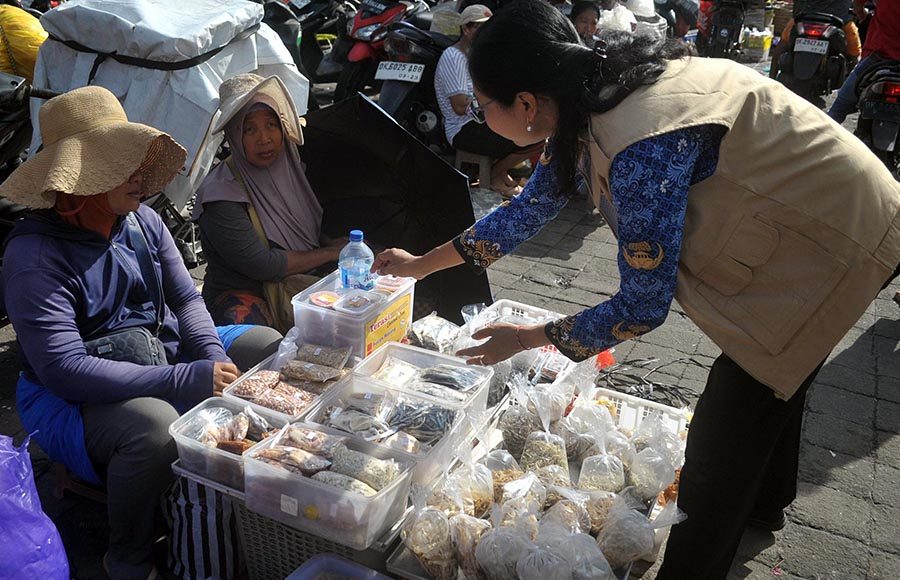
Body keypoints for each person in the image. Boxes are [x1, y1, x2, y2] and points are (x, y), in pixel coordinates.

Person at [372, 1, 900, 577]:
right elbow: (528, 210)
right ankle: (766, 505)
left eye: (482, 104)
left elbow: (644, 306)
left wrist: (527, 337)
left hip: (839, 238)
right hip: (806, 218)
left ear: (525, 103)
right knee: (776, 378)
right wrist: (422, 265)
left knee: (721, 442)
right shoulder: (587, 98)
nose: (478, 113)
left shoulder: (638, 147)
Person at [0, 86, 282, 580]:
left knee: (264, 345)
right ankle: (126, 557)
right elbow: (65, 371)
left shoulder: (143, 222)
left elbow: (187, 300)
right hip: (65, 395)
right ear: (83, 179)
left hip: (155, 351)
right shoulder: (33, 258)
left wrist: (217, 363)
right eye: (122, 166)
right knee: (153, 427)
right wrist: (184, 380)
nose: (140, 178)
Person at [194, 74, 344, 332]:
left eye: (271, 125)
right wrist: (332, 253)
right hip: (245, 293)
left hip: (300, 283)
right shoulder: (220, 193)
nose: (263, 138)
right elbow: (262, 264)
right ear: (233, 134)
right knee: (263, 349)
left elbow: (305, 228)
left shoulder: (294, 169)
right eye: (249, 129)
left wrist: (335, 243)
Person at [434, 4, 543, 196]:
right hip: (463, 128)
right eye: (481, 28)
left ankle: (498, 173)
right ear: (466, 29)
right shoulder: (454, 57)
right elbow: (460, 105)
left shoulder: (481, 56)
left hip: (484, 120)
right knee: (530, 132)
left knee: (541, 127)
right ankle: (495, 174)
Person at [828, 0, 900, 122]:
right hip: (878, 60)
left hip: (878, 59)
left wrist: (862, 14)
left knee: (839, 108)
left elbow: (857, 6)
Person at [769, 0, 861, 82]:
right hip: (837, 20)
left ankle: (771, 78)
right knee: (854, 53)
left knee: (783, 44)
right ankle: (850, 86)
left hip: (805, 17)